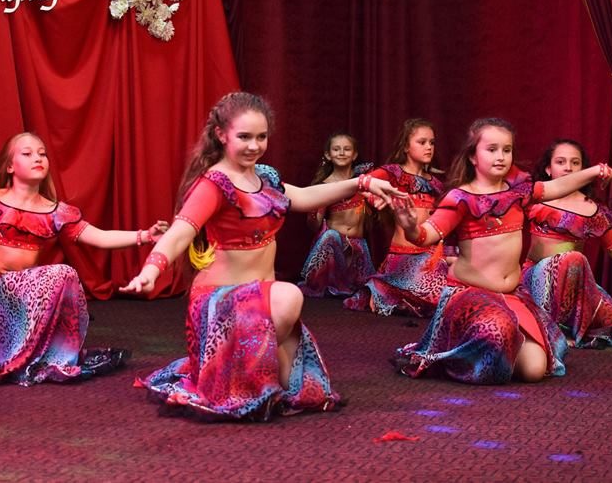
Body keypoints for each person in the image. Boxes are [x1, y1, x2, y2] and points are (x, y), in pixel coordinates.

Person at [122, 91, 405, 420]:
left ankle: (230, 368)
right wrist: (151, 270)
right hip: (223, 304)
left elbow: (304, 197)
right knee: (290, 296)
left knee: (294, 389)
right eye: (244, 137)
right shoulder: (214, 184)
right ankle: (224, 365)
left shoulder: (265, 177)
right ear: (221, 135)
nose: (254, 146)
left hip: (262, 304)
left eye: (261, 137)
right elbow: (180, 232)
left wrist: (362, 183)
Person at [391, 118, 612, 384]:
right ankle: (461, 347)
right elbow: (426, 235)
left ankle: (499, 346)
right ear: (473, 156)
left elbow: (556, 187)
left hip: (510, 295)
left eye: (506, 150)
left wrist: (595, 171)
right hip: (470, 294)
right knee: (500, 330)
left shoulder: (519, 193)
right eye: (492, 149)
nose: (500, 156)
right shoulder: (461, 198)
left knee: (534, 370)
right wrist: (410, 227)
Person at [0, 132, 168, 386]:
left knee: (63, 275)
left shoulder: (54, 211)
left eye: (42, 154)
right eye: (27, 154)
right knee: (62, 272)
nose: (37, 158)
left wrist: (145, 235)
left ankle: (55, 356)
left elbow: (100, 237)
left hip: (29, 298)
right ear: (10, 166)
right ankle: (25, 352)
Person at [521, 139, 612, 348]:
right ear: (548, 169)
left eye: (575, 163)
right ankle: (550, 330)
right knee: (573, 258)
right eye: (560, 162)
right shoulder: (535, 199)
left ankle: (567, 325)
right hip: (533, 280)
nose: (568, 168)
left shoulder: (592, 210)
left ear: (583, 170)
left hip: (574, 285)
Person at [362, 119, 448, 317]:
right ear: (406, 147)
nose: (429, 147)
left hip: (431, 256)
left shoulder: (436, 184)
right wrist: (375, 198)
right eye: (422, 142)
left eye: (432, 143)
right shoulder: (393, 173)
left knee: (449, 291)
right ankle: (387, 288)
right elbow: (362, 184)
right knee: (436, 294)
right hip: (403, 255)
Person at [297, 132, 375, 306]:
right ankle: (327, 281)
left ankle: (347, 282)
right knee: (330, 235)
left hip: (357, 246)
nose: (341, 153)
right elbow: (314, 226)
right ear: (328, 155)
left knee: (362, 285)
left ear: (354, 154)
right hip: (334, 246)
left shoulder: (363, 180)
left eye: (347, 149)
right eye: (336, 149)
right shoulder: (324, 185)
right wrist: (315, 207)